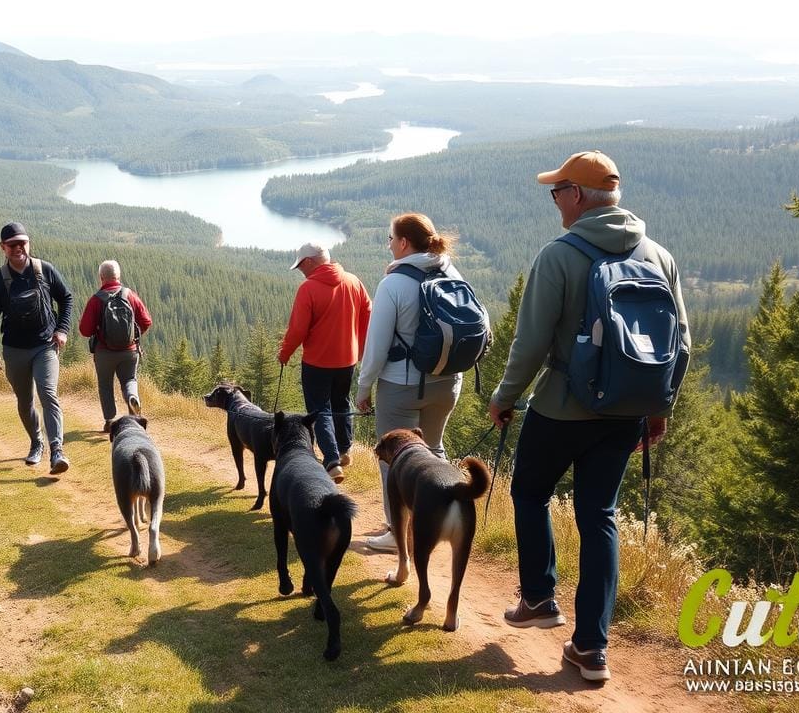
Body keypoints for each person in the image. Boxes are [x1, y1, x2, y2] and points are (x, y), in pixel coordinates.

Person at [489, 150, 689, 683]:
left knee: (530, 494)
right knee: (598, 515)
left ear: (577, 196)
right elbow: (680, 344)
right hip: (627, 411)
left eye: (557, 191)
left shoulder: (559, 255)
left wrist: (504, 397)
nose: (554, 199)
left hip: (560, 407)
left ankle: (538, 598)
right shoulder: (658, 255)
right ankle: (591, 648)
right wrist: (658, 407)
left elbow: (529, 343)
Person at [355, 213, 465, 551]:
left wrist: (363, 388)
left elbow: (375, 347)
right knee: (433, 450)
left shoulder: (394, 284)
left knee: (395, 459)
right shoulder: (450, 271)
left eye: (390, 238)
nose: (388, 244)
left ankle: (397, 534)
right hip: (447, 383)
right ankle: (440, 520)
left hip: (401, 387)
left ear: (404, 243)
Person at [0, 222, 76, 474]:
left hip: (45, 346)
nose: (18, 248)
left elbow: (66, 298)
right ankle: (36, 442)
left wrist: (62, 330)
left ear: (28, 243)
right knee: (25, 401)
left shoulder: (44, 270)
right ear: (3, 247)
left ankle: (57, 451)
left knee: (48, 394)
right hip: (14, 350)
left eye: (22, 243)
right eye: (12, 245)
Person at [278, 242, 372, 482]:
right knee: (341, 403)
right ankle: (344, 450)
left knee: (320, 409)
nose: (300, 270)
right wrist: (359, 350)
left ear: (310, 262)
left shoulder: (308, 288)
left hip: (317, 362)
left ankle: (331, 462)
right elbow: (368, 315)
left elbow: (298, 329)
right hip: (347, 360)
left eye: (300, 265)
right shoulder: (353, 281)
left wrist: (285, 353)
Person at [78, 260, 153, 432]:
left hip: (104, 352)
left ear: (101, 277)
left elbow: (85, 330)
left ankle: (110, 421)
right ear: (118, 276)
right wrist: (133, 335)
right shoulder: (130, 295)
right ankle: (133, 401)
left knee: (105, 385)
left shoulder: (96, 300)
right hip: (129, 351)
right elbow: (147, 321)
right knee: (129, 380)